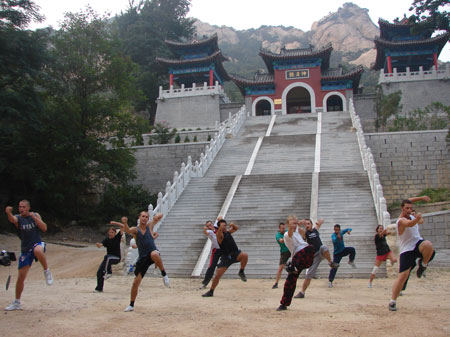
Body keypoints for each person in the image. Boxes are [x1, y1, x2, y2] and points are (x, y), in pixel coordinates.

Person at [113, 211, 169, 312]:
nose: (144, 218)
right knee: (136, 282)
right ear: (139, 217)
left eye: (146, 217)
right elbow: (127, 230)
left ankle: (164, 274)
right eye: (143, 216)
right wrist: (125, 223)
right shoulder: (136, 229)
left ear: (148, 219)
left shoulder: (150, 226)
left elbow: (159, 216)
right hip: (143, 258)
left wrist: (156, 218)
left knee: (155, 254)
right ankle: (131, 304)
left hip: (152, 253)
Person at [5, 200, 53, 311]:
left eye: (23, 207)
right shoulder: (18, 218)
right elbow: (12, 219)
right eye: (20, 207)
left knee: (38, 251)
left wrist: (35, 218)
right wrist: (8, 213)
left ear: (28, 208)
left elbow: (44, 228)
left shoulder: (35, 215)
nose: (21, 208)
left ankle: (46, 271)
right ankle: (17, 302)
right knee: (21, 277)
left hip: (37, 243)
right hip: (25, 249)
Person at [389, 196, 435, 311]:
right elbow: (409, 224)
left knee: (428, 245)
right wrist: (417, 219)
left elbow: (410, 200)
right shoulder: (401, 220)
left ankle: (423, 265)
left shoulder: (410, 214)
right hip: (407, 250)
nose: (409, 210)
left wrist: (422, 198)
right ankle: (392, 301)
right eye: (407, 208)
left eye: (410, 208)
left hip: (417, 244)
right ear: (402, 208)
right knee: (402, 277)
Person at [277, 215, 315, 311]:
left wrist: (305, 225)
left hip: (305, 253)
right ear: (288, 224)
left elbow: (306, 233)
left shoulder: (297, 230)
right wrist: (293, 225)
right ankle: (284, 303)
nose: (295, 225)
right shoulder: (287, 235)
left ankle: (292, 267)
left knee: (310, 247)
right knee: (290, 281)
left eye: (295, 223)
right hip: (298, 256)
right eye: (293, 223)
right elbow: (290, 232)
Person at [294, 218, 339, 298]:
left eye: (308, 224)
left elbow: (322, 220)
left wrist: (320, 222)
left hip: (320, 252)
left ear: (311, 225)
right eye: (306, 224)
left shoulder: (315, 230)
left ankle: (330, 263)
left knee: (324, 247)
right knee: (309, 275)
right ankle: (302, 292)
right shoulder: (305, 233)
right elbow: (296, 228)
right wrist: (300, 222)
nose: (307, 225)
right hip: (313, 256)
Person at [202, 219, 248, 297]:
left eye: (225, 225)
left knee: (244, 255)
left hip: (235, 254)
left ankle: (241, 271)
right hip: (226, 257)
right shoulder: (219, 235)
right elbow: (219, 234)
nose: (224, 227)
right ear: (219, 227)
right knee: (217, 276)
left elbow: (236, 228)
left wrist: (232, 225)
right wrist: (220, 228)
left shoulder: (227, 232)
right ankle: (211, 291)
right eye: (222, 225)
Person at [94, 226, 123, 292]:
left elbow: (122, 227)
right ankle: (99, 288)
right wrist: (98, 245)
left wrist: (114, 223)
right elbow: (101, 245)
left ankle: (108, 272)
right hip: (108, 259)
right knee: (99, 272)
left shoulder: (117, 238)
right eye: (110, 232)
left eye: (112, 232)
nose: (111, 233)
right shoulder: (107, 240)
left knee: (107, 257)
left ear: (115, 233)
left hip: (116, 258)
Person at [199, 219, 222, 289]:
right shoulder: (210, 232)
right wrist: (204, 229)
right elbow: (206, 233)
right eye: (208, 225)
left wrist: (219, 220)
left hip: (224, 248)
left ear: (212, 224)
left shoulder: (216, 226)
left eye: (210, 224)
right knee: (211, 266)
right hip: (216, 250)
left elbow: (220, 218)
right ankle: (205, 283)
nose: (210, 226)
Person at [272, 222, 290, 289]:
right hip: (284, 252)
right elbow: (281, 241)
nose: (283, 229)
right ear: (279, 228)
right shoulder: (278, 235)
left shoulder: (286, 232)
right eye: (282, 228)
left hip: (291, 250)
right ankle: (276, 283)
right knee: (280, 268)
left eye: (284, 228)